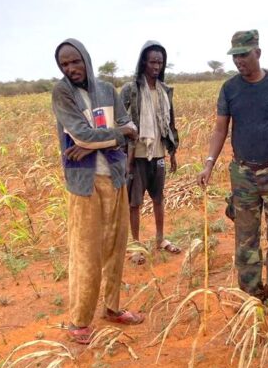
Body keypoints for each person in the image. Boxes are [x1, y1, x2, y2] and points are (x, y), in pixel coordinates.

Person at [197, 29, 268, 313]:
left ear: (258, 53)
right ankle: (251, 292)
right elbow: (220, 129)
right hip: (243, 174)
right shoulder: (230, 89)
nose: (239, 61)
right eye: (235, 56)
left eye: (244, 55)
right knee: (246, 236)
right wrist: (209, 163)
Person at [52, 38, 144, 344]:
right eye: (64, 64)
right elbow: (84, 135)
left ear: (86, 59)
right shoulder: (62, 92)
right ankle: (79, 321)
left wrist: (106, 137)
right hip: (84, 182)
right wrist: (116, 135)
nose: (71, 68)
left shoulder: (106, 90)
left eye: (75, 61)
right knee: (86, 251)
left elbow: (128, 126)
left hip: (115, 176)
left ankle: (113, 307)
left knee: (115, 247)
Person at [120, 41, 180, 264]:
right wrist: (125, 157)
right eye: (153, 61)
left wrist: (172, 153)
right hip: (137, 156)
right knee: (134, 203)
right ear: (144, 62)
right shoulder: (131, 89)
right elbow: (120, 120)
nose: (156, 66)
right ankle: (135, 246)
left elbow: (170, 123)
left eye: (160, 62)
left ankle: (160, 239)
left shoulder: (164, 91)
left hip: (158, 153)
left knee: (159, 199)